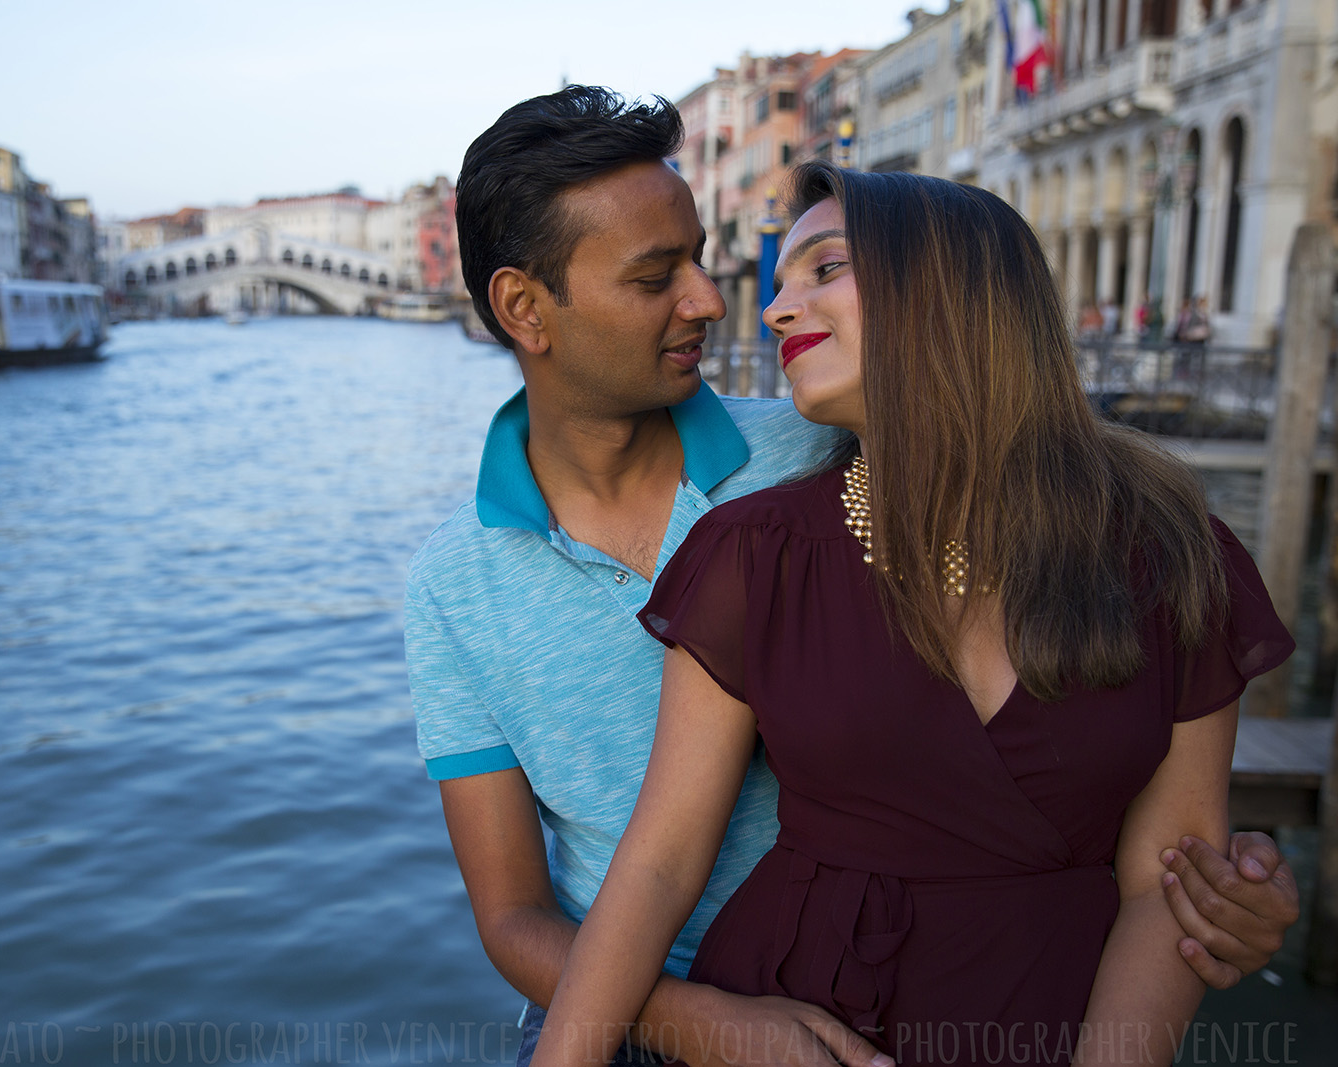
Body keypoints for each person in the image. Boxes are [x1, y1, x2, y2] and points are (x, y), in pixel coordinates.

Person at [406, 88, 1300, 1067]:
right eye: (657, 274)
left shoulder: (818, 439)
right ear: (523, 309)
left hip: (982, 986)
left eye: (704, 260)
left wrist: (1221, 902)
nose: (719, 300)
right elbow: (528, 909)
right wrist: (698, 1025)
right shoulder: (463, 581)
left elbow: (1164, 859)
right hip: (649, 995)